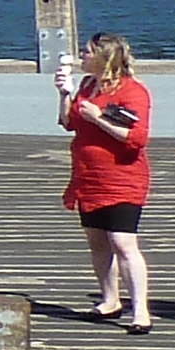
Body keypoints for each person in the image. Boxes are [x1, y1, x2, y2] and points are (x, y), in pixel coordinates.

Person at [65, 31, 154, 332]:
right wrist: (65, 94)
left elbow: (136, 139)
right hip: (89, 176)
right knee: (97, 240)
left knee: (123, 241)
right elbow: (69, 123)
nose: (82, 56)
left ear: (104, 56)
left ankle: (140, 310)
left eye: (87, 52)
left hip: (123, 178)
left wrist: (98, 117)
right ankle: (109, 299)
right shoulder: (88, 85)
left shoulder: (133, 91)